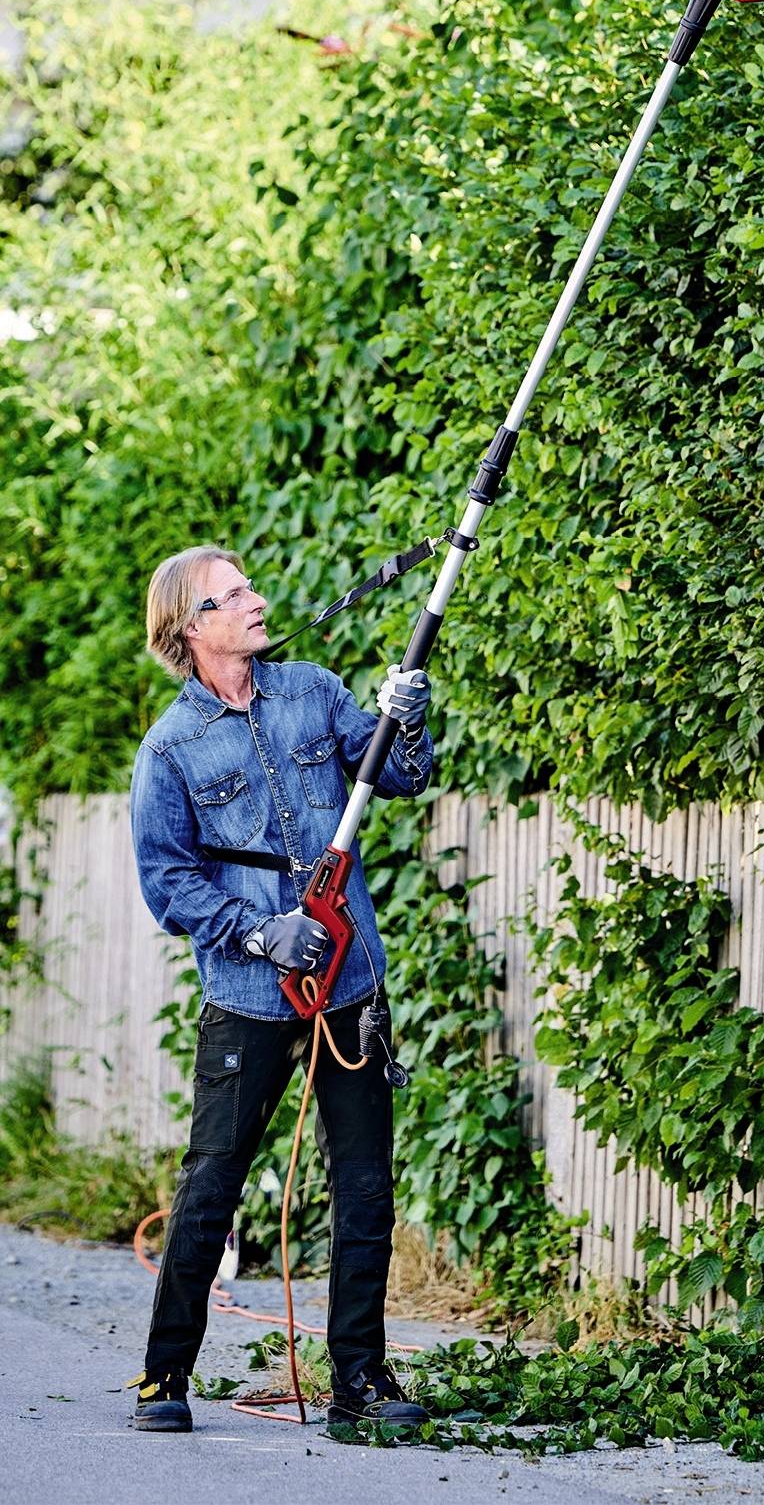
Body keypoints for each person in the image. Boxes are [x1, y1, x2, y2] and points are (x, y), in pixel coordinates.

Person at [126, 544, 434, 1433]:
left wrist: (407, 718)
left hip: (350, 983)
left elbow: (404, 776)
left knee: (367, 1187)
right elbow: (168, 882)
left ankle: (362, 1385)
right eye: (236, 593)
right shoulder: (172, 748)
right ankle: (164, 1378)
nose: (257, 600)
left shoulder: (312, 690)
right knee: (214, 1181)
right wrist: (262, 930)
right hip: (248, 993)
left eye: (251, 586)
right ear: (195, 625)